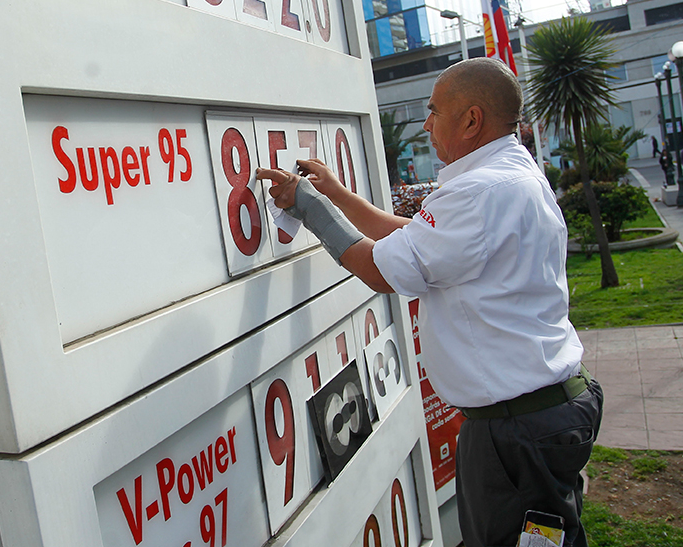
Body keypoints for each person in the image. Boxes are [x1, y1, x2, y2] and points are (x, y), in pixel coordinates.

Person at [256, 58, 603, 547]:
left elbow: (381, 269)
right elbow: (415, 243)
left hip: (517, 431)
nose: (426, 124)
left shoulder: (479, 192)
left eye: (434, 111)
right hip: (545, 413)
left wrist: (308, 206)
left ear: (471, 120)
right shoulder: (510, 175)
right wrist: (335, 194)